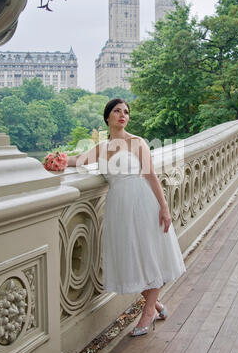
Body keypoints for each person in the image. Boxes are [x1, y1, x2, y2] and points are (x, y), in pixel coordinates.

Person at [67, 98, 186, 336]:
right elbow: (75, 161)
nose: (123, 115)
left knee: (148, 257)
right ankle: (156, 304)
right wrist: (51, 161)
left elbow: (151, 176)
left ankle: (149, 311)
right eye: (117, 111)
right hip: (118, 207)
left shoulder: (136, 142)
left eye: (126, 112)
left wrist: (164, 207)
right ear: (107, 116)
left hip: (142, 203)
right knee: (128, 260)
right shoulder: (101, 148)